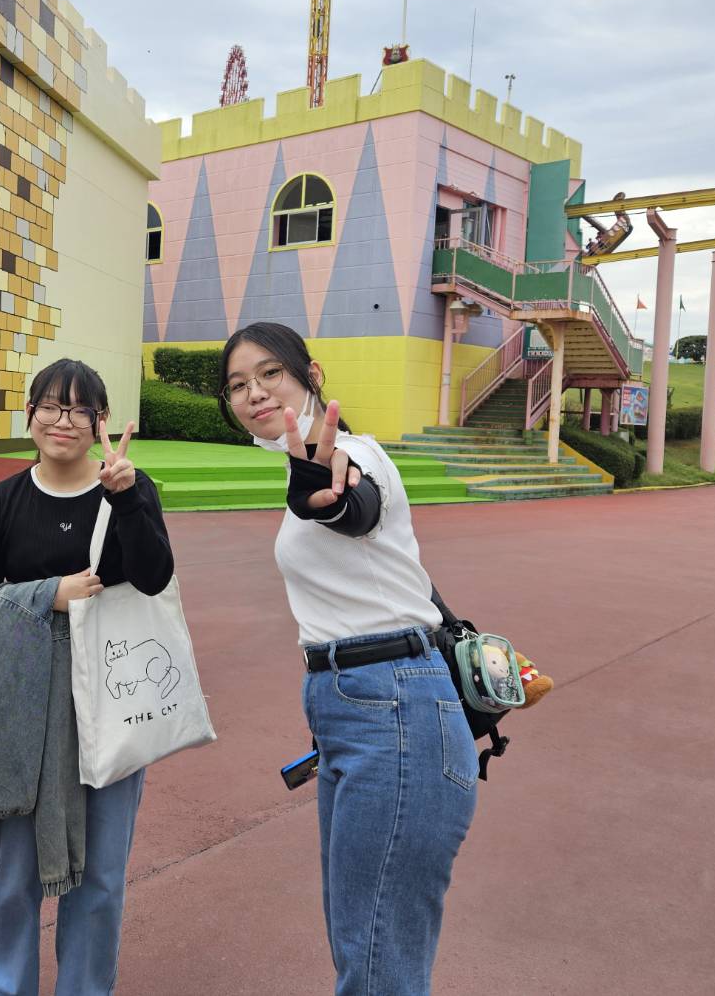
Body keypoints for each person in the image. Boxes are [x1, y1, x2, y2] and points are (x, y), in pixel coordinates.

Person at [217, 322, 478, 996]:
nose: (253, 393)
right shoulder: (304, 467)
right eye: (237, 385)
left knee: (374, 957)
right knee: (362, 944)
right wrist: (306, 487)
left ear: (311, 375)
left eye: (269, 373)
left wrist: (325, 499)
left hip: (392, 707)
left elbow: (354, 505)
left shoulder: (354, 454)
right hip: (356, 706)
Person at [0, 358, 175, 996]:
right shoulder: (3, 501)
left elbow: (155, 577)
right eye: (51, 406)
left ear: (100, 421)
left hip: (112, 699)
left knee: (102, 876)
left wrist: (128, 499)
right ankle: (6, 987)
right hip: (22, 704)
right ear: (30, 414)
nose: (64, 421)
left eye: (81, 410)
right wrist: (48, 595)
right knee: (13, 873)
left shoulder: (130, 488)